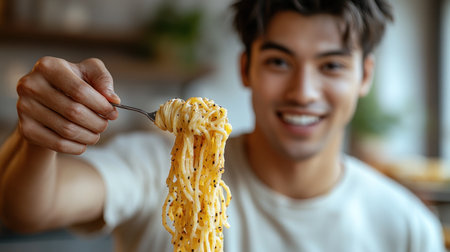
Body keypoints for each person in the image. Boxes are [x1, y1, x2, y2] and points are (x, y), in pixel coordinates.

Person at [0, 0, 445, 251]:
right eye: (279, 61)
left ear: (364, 76)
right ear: (246, 68)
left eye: (331, 66)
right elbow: (27, 210)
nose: (303, 91)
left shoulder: (406, 229)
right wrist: (41, 134)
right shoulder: (165, 167)